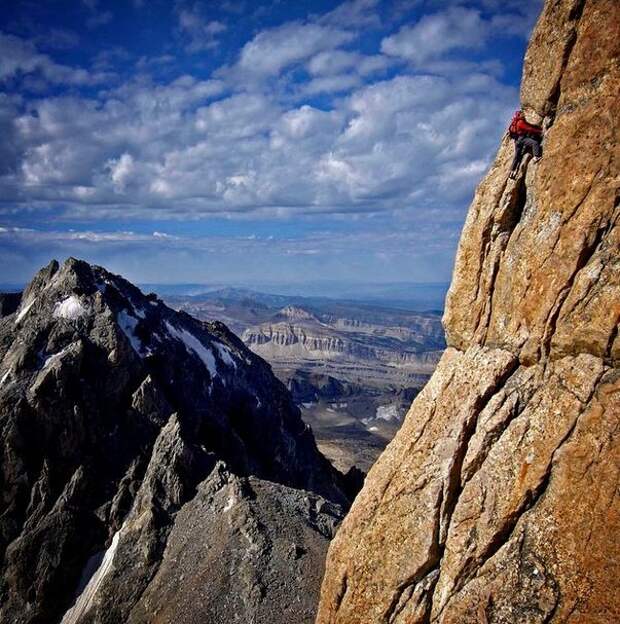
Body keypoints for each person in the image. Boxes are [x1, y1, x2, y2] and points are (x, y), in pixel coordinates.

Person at [508, 110, 543, 179]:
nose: (523, 114)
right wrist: (539, 131)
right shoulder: (520, 122)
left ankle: (512, 171)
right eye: (522, 114)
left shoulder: (515, 122)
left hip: (517, 141)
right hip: (522, 139)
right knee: (534, 143)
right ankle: (536, 157)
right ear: (519, 115)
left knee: (517, 156)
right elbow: (529, 128)